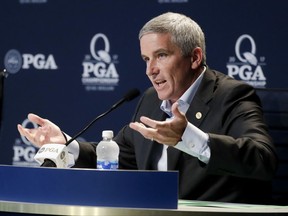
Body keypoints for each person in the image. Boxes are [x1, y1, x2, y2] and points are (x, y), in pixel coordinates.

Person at [18, 12, 278, 204]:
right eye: (146, 58)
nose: (150, 70)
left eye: (161, 56)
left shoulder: (231, 95)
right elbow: (119, 156)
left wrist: (187, 136)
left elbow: (262, 159)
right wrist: (65, 144)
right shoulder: (152, 100)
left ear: (195, 57)